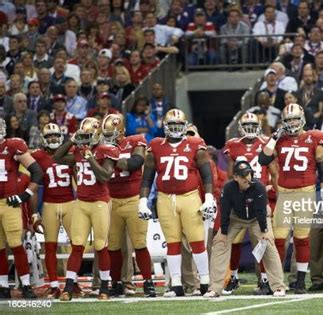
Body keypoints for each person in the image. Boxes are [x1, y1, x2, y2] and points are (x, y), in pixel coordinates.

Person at [139, 109, 216, 297]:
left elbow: (206, 174)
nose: (174, 129)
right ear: (165, 126)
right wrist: (142, 200)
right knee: (172, 243)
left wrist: (208, 197)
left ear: (185, 126)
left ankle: (205, 283)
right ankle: (176, 285)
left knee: (197, 241)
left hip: (189, 197)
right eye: (171, 125)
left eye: (178, 125)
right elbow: (147, 177)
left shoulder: (195, 144)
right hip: (165, 198)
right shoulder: (156, 146)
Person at [259, 103, 323, 294]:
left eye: (295, 119)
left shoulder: (315, 138)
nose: (292, 123)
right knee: (279, 240)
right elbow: (262, 160)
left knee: (301, 239)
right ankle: (275, 282)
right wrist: (274, 137)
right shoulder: (279, 140)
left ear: (302, 120)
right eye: (289, 120)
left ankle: (300, 282)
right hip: (284, 194)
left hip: (305, 193)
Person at [53, 117, 119, 301]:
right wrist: (71, 141)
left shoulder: (107, 150)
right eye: (82, 136)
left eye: (87, 136)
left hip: (100, 203)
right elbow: (56, 158)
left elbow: (105, 176)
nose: (84, 140)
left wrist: (90, 157)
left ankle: (105, 288)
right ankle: (68, 288)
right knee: (77, 245)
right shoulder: (77, 151)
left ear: (97, 135)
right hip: (81, 203)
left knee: (100, 245)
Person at [204, 160, 286, 298]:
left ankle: (278, 286)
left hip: (257, 218)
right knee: (219, 244)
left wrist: (265, 232)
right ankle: (214, 288)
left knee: (269, 245)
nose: (247, 178)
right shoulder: (228, 188)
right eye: (243, 176)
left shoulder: (258, 186)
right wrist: (223, 233)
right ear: (235, 177)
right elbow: (224, 211)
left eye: (249, 174)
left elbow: (260, 211)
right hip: (236, 217)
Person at [222, 113, 278, 295]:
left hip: (259, 197)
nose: (251, 128)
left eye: (254, 125)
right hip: (239, 198)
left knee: (262, 241)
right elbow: (231, 176)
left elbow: (274, 172)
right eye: (247, 125)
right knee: (235, 241)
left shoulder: (266, 144)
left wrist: (273, 190)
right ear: (240, 126)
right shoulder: (233, 145)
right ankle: (234, 277)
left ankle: (264, 279)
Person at [101, 114, 156, 298]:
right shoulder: (100, 147)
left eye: (113, 133)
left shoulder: (135, 141)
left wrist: (111, 157)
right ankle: (116, 283)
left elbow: (135, 162)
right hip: (111, 200)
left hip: (134, 198)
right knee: (114, 246)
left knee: (140, 244)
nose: (110, 137)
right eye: (107, 133)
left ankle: (148, 282)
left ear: (122, 130)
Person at [30, 123, 77, 299]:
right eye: (49, 136)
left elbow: (78, 181)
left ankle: (73, 282)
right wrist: (34, 213)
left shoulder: (70, 156)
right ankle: (55, 285)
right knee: (50, 246)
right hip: (49, 205)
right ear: (43, 139)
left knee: (77, 245)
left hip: (70, 203)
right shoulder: (37, 156)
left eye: (56, 136)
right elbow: (33, 186)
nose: (53, 139)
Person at [0, 117, 42, 299]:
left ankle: (26, 285)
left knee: (16, 245)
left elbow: (37, 172)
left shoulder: (13, 145)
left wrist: (25, 195)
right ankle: (2, 286)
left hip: (10, 203)